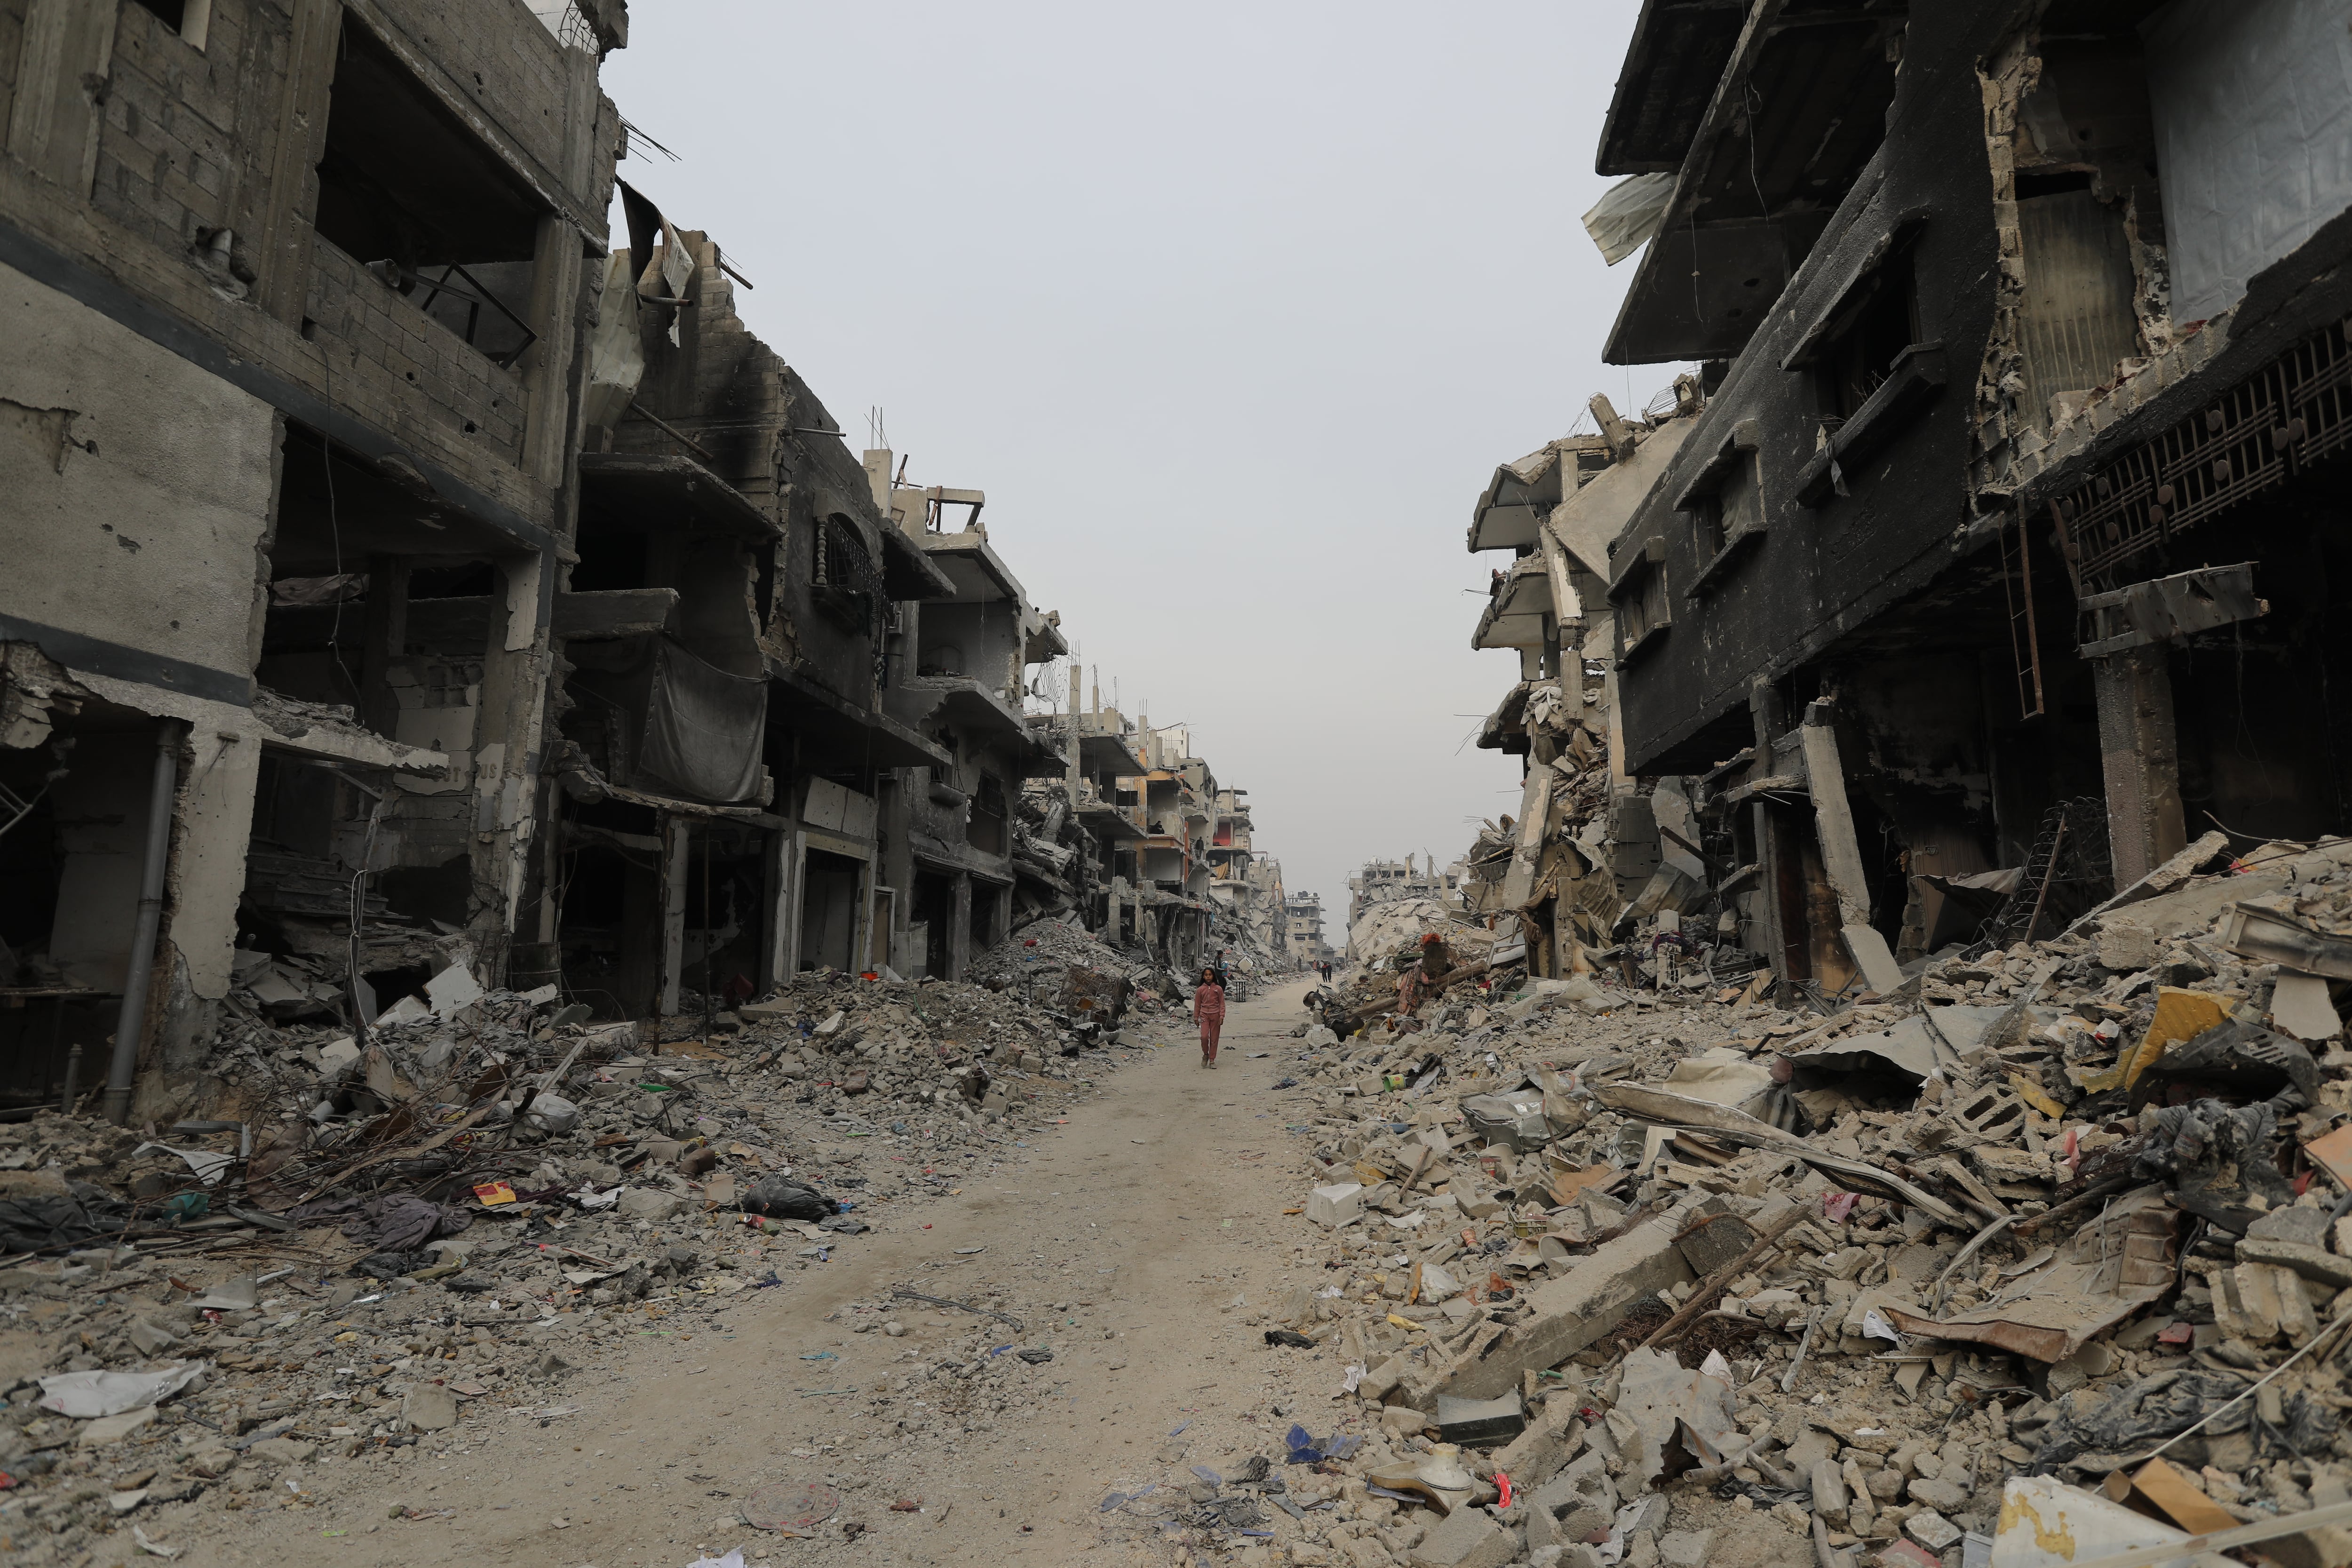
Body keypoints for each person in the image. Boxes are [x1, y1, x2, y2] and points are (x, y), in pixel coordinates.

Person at [1193, 967, 1226, 1068]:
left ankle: (1212, 1060)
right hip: (1204, 1016)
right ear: (1203, 977)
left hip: (1216, 1015)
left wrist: (1222, 1016)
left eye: (1210, 975)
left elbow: (1222, 1004)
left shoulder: (1218, 989)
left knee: (1214, 1039)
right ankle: (1206, 1054)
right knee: (1204, 1037)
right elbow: (1197, 1005)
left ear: (1213, 976)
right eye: (1206, 975)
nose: (1208, 977)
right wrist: (1196, 1017)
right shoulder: (1200, 990)